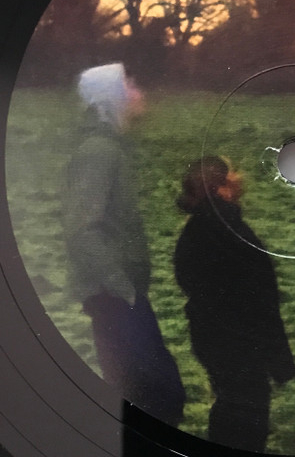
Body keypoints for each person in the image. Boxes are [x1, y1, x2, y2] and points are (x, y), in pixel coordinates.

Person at [62, 62, 185, 426]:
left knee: (150, 396)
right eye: (128, 84)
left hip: (119, 294)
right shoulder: (99, 151)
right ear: (111, 97)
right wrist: (123, 288)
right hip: (115, 298)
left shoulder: (109, 147)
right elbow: (81, 229)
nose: (136, 90)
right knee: (157, 396)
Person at [174, 156, 295, 452]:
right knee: (247, 418)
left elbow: (187, 280)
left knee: (228, 406)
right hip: (244, 348)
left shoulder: (193, 232)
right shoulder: (235, 234)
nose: (240, 182)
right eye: (232, 178)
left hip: (210, 340)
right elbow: (263, 302)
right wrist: (281, 362)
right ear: (220, 188)